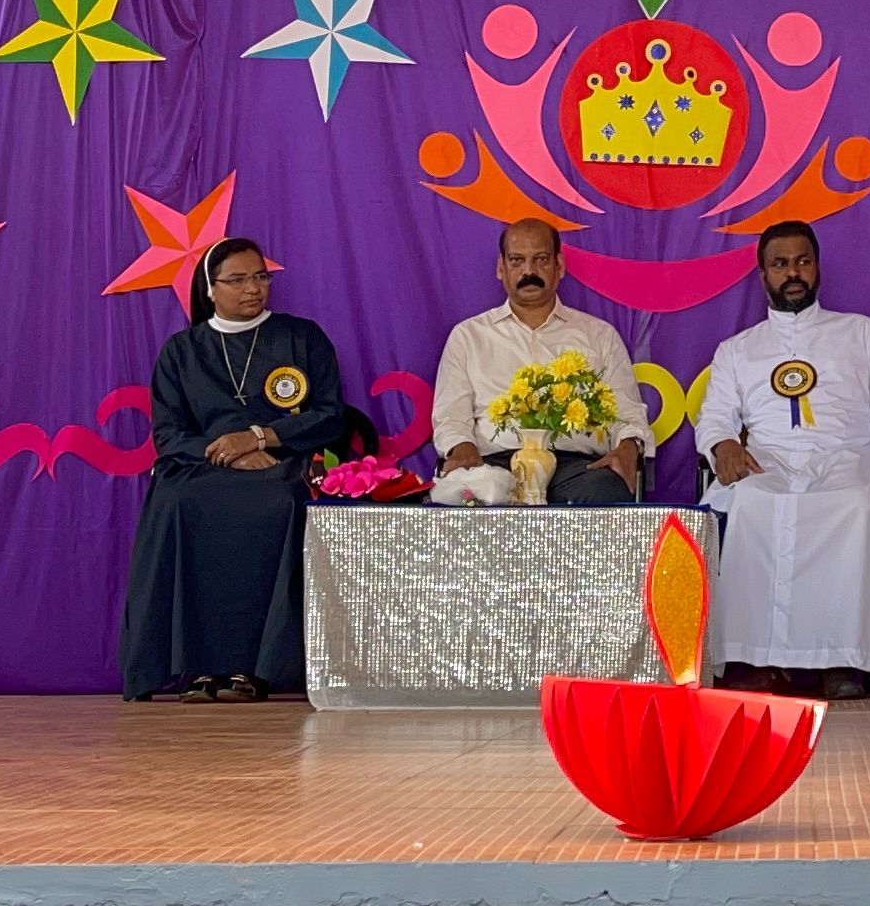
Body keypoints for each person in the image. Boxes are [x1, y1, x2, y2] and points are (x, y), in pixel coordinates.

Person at [120, 239, 376, 702]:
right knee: (179, 501)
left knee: (278, 502)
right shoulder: (182, 351)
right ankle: (199, 667)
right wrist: (230, 452)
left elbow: (329, 416)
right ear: (210, 288)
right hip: (202, 465)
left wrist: (260, 438)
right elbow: (169, 434)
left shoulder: (302, 337)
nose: (253, 288)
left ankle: (256, 668)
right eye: (237, 280)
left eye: (260, 277)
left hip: (280, 460)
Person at [697, 221, 870, 699]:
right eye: (780, 264)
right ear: (763, 274)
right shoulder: (737, 350)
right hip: (768, 459)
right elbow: (714, 417)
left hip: (848, 453)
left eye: (802, 262)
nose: (793, 273)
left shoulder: (862, 333)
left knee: (855, 504)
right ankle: (754, 658)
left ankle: (844, 660)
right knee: (751, 504)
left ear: (817, 267)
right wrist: (723, 445)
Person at [432, 218, 646, 503]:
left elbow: (627, 414)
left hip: (576, 469)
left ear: (560, 266)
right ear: (501, 267)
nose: (529, 271)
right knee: (470, 499)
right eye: (517, 260)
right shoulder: (468, 337)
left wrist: (629, 445)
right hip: (494, 466)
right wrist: (461, 447)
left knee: (606, 490)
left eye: (541, 260)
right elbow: (451, 417)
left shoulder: (599, 336)